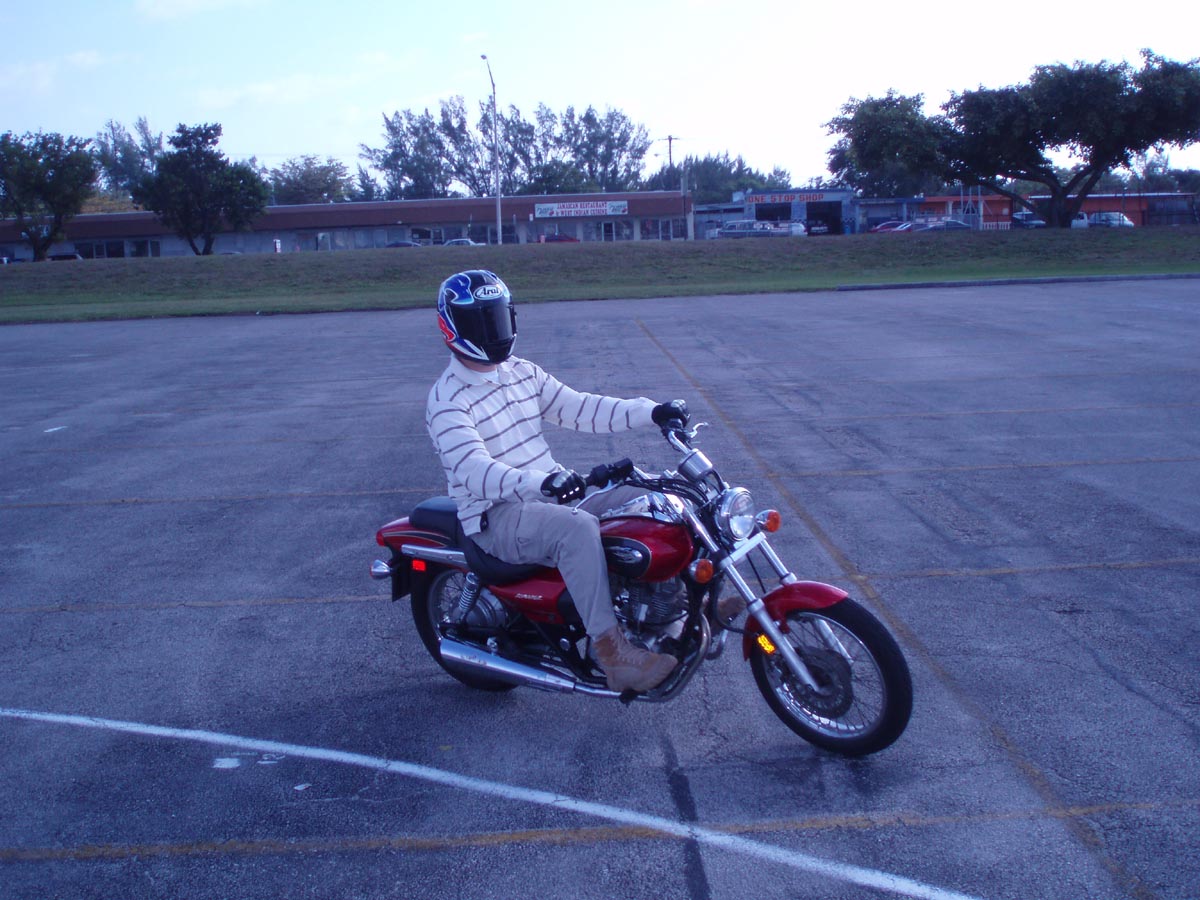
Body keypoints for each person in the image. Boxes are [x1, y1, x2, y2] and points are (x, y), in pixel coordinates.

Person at [425, 269, 688, 693]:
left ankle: (681, 605)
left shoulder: (520, 372)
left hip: (544, 495)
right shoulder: (447, 400)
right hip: (496, 515)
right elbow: (474, 470)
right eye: (482, 321)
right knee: (576, 529)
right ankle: (613, 655)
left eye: (498, 318)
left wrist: (651, 412)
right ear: (453, 327)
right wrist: (541, 483)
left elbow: (580, 408)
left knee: (657, 493)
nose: (494, 330)